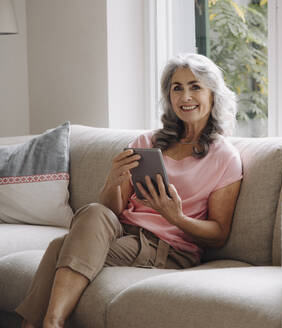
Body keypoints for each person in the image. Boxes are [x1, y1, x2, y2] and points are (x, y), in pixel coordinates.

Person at [16, 53, 243, 328]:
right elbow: (111, 211)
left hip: (167, 248)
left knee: (60, 247)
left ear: (213, 94)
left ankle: (47, 322)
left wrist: (176, 216)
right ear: (169, 96)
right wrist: (113, 180)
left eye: (195, 86)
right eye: (177, 87)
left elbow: (219, 234)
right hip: (123, 231)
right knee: (94, 210)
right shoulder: (148, 141)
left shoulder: (224, 158)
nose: (185, 96)